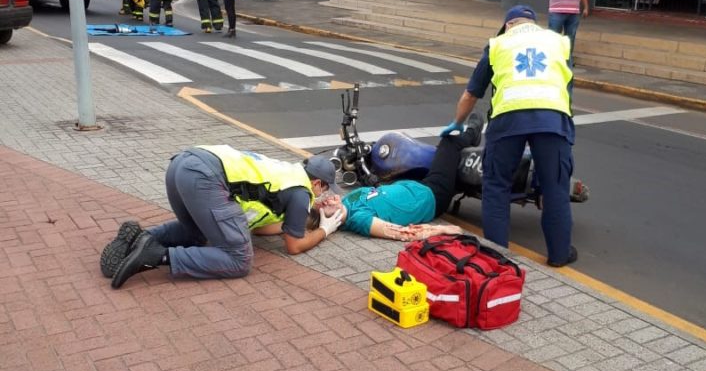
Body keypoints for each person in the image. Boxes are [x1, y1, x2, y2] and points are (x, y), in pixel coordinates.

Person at [444, 4, 577, 267]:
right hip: (552, 119)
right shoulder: (559, 42)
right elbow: (566, 85)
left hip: (508, 119)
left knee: (496, 187)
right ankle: (560, 255)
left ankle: (497, 259)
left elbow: (472, 94)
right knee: (555, 188)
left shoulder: (498, 44)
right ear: (534, 24)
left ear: (508, 25)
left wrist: (456, 123)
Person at [99, 148, 345, 289]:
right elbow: (293, 246)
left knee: (197, 232)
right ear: (316, 182)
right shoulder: (302, 192)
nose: (322, 194)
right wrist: (325, 229)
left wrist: (308, 217)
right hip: (205, 177)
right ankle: (156, 255)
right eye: (324, 188)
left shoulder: (287, 172)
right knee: (239, 259)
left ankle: (143, 238)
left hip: (183, 164)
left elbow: (259, 229)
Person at [310, 112, 485, 241]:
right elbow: (402, 233)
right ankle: (472, 133)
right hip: (432, 195)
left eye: (321, 202)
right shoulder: (358, 219)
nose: (326, 200)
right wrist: (441, 230)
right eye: (325, 207)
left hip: (415, 185)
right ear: (332, 220)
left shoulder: (347, 202)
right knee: (448, 144)